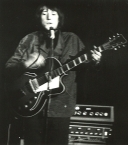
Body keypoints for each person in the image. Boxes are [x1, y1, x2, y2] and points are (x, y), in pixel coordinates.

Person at [5, 3, 102, 145]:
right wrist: (25, 64)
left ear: (60, 18)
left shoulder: (72, 40)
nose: (49, 17)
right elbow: (8, 69)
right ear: (39, 18)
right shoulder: (29, 40)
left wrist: (95, 61)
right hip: (32, 108)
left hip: (61, 109)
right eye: (44, 13)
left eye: (54, 13)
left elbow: (87, 70)